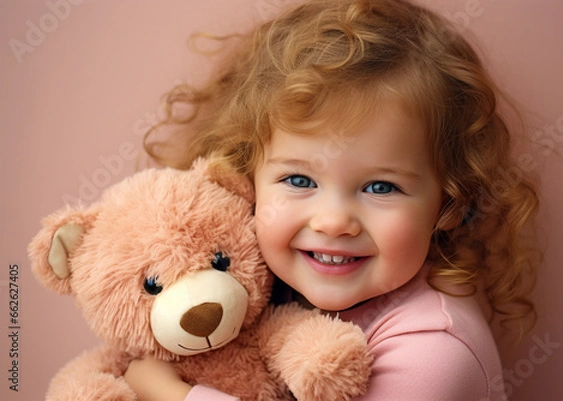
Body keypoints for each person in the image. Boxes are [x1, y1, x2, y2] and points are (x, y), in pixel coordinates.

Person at [124, 0, 540, 399]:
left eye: (380, 187)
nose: (333, 221)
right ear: (245, 180)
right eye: (300, 179)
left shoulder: (437, 352)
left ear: (448, 204)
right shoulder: (256, 292)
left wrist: (172, 394)